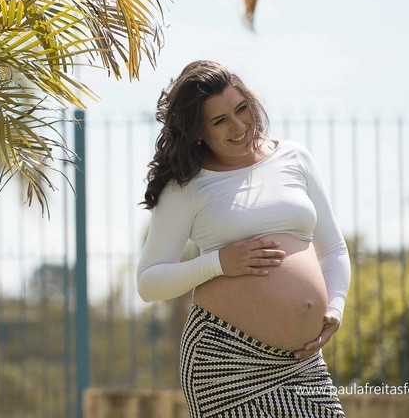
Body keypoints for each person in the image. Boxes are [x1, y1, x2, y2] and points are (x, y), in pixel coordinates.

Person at [136, 60, 350, 417]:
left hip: (302, 362)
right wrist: (218, 262)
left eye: (241, 109)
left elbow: (334, 249)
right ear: (197, 131)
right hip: (225, 359)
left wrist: (335, 309)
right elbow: (148, 282)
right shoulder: (186, 185)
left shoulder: (294, 157)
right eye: (220, 121)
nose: (239, 126)